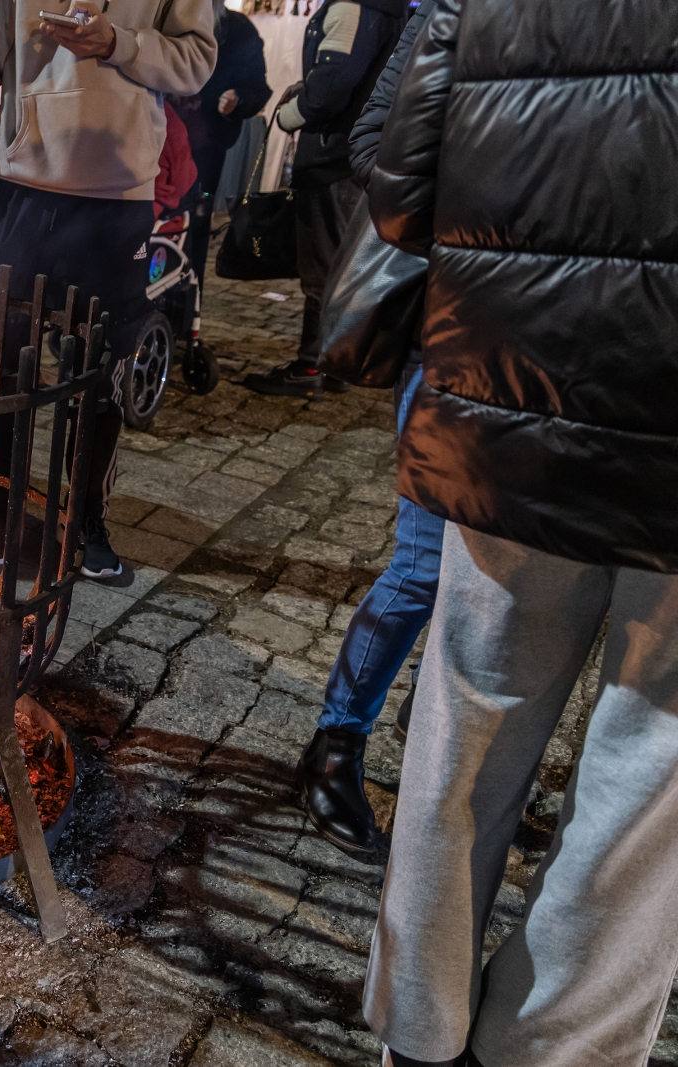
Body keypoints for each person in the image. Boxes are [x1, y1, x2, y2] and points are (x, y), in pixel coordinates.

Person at [360, 1, 678, 1064]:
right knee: (650, 774)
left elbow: (396, 192)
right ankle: (555, 1045)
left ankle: (419, 1018)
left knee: (467, 723)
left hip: (512, 395)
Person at [0, 0, 216, 579]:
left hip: (119, 196)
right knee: (2, 362)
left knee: (105, 370)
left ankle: (86, 520)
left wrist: (119, 42)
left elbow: (197, 61)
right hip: (21, 191)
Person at [294, 2, 434, 862]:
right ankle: (337, 744)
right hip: (460, 327)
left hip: (593, 357)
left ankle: (450, 755)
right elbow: (371, 135)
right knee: (427, 563)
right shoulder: (445, 17)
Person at [240, 0, 404, 399]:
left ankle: (310, 365)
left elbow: (333, 81)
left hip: (333, 157)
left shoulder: (353, 6)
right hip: (356, 155)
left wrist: (293, 113)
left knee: (324, 268)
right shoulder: (386, 8)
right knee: (342, 263)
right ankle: (334, 363)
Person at [173, 2, 271, 286]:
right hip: (156, 142)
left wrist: (237, 100)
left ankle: (188, 308)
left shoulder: (237, 30)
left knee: (195, 226)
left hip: (203, 151)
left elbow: (257, 88)